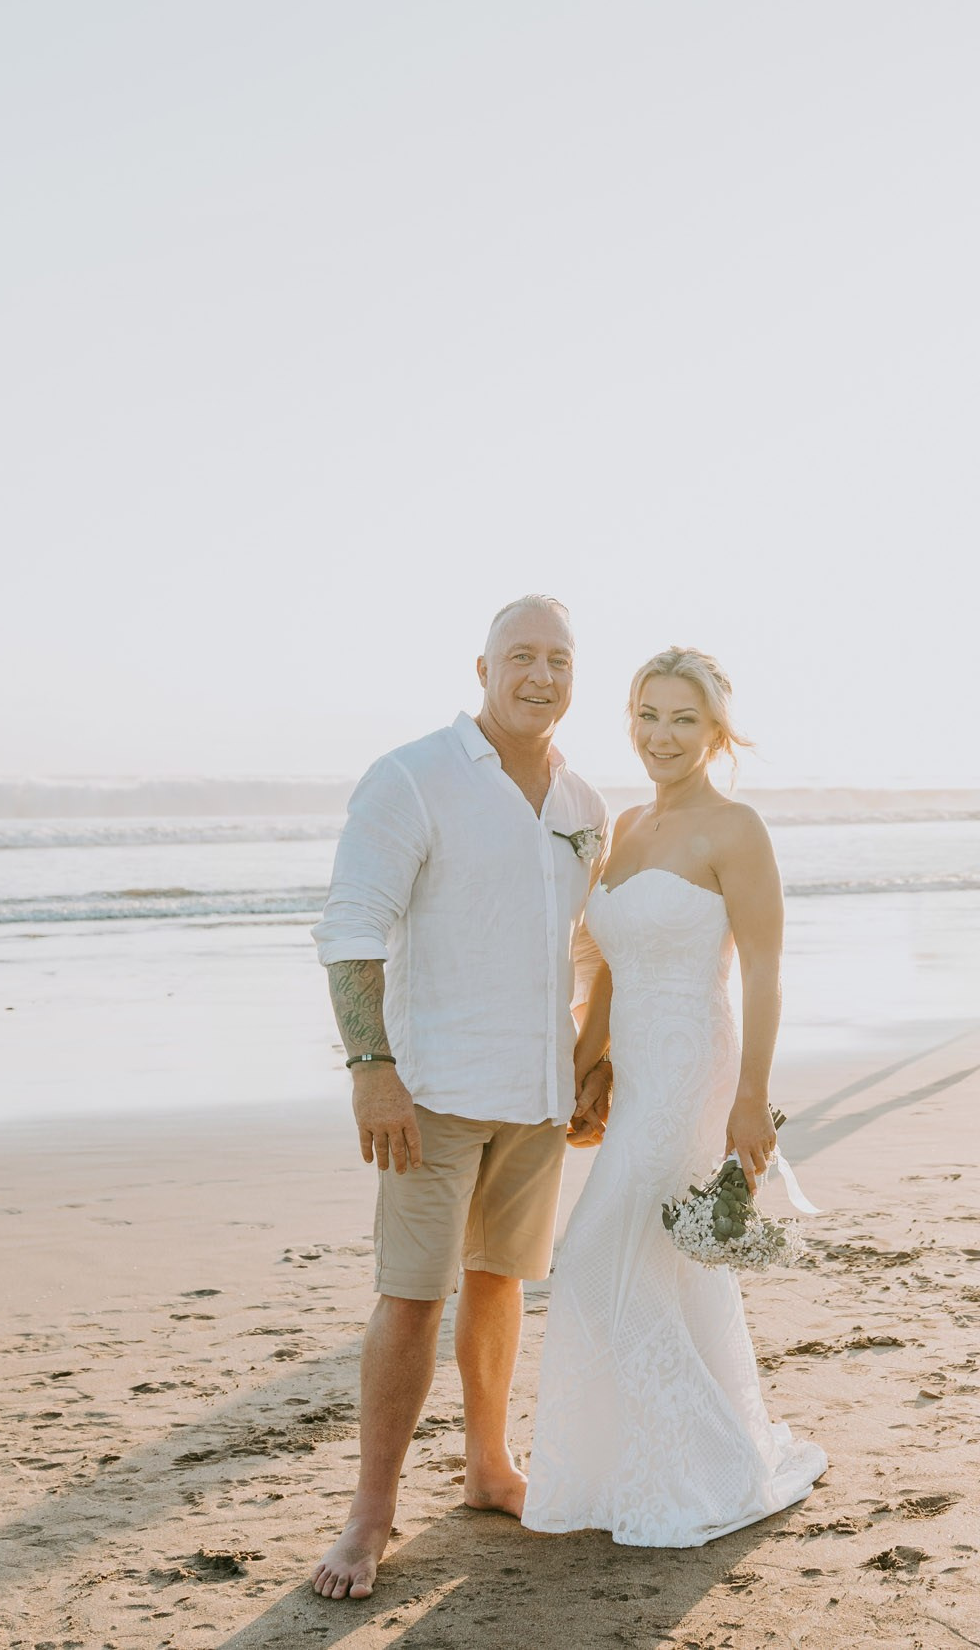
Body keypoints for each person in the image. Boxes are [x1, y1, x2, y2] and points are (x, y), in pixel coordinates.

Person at [306, 595, 613, 1600]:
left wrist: (589, 1060)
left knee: (499, 1280)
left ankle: (488, 1465)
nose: (540, 676)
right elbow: (351, 928)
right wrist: (372, 1071)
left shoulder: (581, 803)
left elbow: (580, 946)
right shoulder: (412, 776)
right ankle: (370, 1512)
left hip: (535, 1092)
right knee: (411, 1292)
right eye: (520, 656)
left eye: (558, 660)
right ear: (478, 666)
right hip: (429, 1090)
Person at [521, 646, 827, 1546]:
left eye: (682, 719)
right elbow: (611, 962)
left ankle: (711, 1464)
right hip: (637, 1069)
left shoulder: (736, 829)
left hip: (698, 1069)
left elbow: (767, 971)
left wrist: (752, 1097)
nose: (661, 734)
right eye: (647, 715)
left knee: (591, 1265)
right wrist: (589, 1060)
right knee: (661, 1267)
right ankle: (644, 1466)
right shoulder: (626, 824)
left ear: (716, 730)